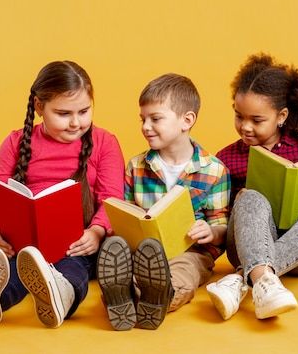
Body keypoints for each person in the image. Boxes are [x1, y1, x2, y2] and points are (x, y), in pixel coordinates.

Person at [0, 60, 124, 329]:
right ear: (39, 107)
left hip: (77, 243)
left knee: (73, 271)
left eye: (84, 111)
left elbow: (112, 197)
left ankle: (60, 294)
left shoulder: (105, 142)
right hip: (25, 245)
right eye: (63, 114)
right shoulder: (15, 142)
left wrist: (97, 232)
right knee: (14, 272)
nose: (76, 123)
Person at [206, 53, 298, 320]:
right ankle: (264, 280)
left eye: (256, 120)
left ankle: (242, 280)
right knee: (250, 197)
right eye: (238, 116)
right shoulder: (226, 158)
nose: (245, 127)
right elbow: (221, 219)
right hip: (246, 247)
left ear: (281, 116)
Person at [97, 73, 230, 330]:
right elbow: (124, 211)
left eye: (155, 119)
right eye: (143, 119)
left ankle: (157, 298)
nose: (146, 126)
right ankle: (124, 296)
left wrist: (210, 232)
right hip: (142, 250)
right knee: (125, 261)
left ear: (186, 120)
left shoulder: (214, 170)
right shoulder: (136, 166)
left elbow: (222, 226)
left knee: (182, 275)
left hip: (189, 252)